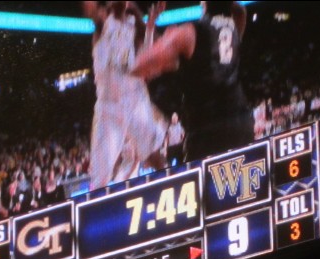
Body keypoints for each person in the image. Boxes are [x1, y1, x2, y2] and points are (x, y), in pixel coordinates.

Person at [131, 1, 254, 162]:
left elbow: (139, 67)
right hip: (241, 121)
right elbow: (240, 10)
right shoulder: (234, 26)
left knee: (208, 186)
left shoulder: (188, 32)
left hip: (207, 129)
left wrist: (156, 31)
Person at [84, 1, 166, 190]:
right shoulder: (103, 22)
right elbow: (92, 11)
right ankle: (95, 216)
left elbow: (145, 56)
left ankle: (175, 189)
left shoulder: (132, 23)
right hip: (109, 106)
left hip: (134, 98)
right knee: (100, 179)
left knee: (154, 155)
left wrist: (151, 24)